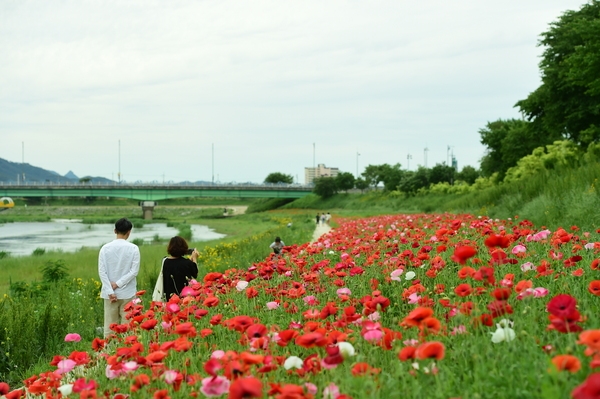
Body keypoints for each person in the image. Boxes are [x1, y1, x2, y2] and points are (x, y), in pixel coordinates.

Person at [98, 218, 140, 338]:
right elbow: (134, 272)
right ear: (129, 232)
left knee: (109, 328)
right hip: (128, 293)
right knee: (128, 328)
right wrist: (119, 284)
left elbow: (102, 272)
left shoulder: (105, 248)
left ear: (115, 230)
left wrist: (111, 290)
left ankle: (109, 354)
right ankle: (128, 352)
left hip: (109, 295)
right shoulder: (134, 248)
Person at [162, 236, 199, 300]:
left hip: (170, 298)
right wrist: (194, 258)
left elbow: (178, 264)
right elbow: (195, 273)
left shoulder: (165, 262)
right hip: (185, 297)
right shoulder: (186, 263)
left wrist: (190, 260)